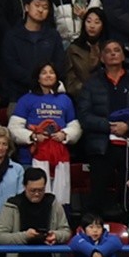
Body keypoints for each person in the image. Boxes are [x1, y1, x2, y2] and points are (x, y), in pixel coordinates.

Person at [77, 40, 129, 217]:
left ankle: (128, 229)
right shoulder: (92, 84)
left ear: (123, 55)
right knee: (97, 195)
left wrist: (128, 126)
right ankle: (93, 228)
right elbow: (84, 114)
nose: (113, 53)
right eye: (108, 51)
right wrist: (108, 127)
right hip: (101, 145)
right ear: (102, 58)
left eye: (117, 50)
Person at [9, 63, 82, 207]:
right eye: (44, 72)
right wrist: (33, 137)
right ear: (38, 78)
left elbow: (75, 126)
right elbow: (14, 128)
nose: (48, 75)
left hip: (59, 157)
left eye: (51, 72)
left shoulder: (65, 100)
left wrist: (64, 134)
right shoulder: (26, 100)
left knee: (59, 202)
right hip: (32, 158)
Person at [0, 0, 66, 103]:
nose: (41, 10)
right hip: (19, 95)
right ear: (26, 7)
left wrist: (46, 80)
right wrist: (35, 81)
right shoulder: (12, 35)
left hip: (48, 94)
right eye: (37, 5)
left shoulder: (53, 35)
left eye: (45, 7)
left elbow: (59, 62)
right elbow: (11, 65)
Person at [65, 8, 107, 96]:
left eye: (97, 22)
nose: (92, 26)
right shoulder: (74, 48)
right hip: (81, 97)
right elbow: (70, 82)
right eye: (88, 21)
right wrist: (88, 91)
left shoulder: (107, 47)